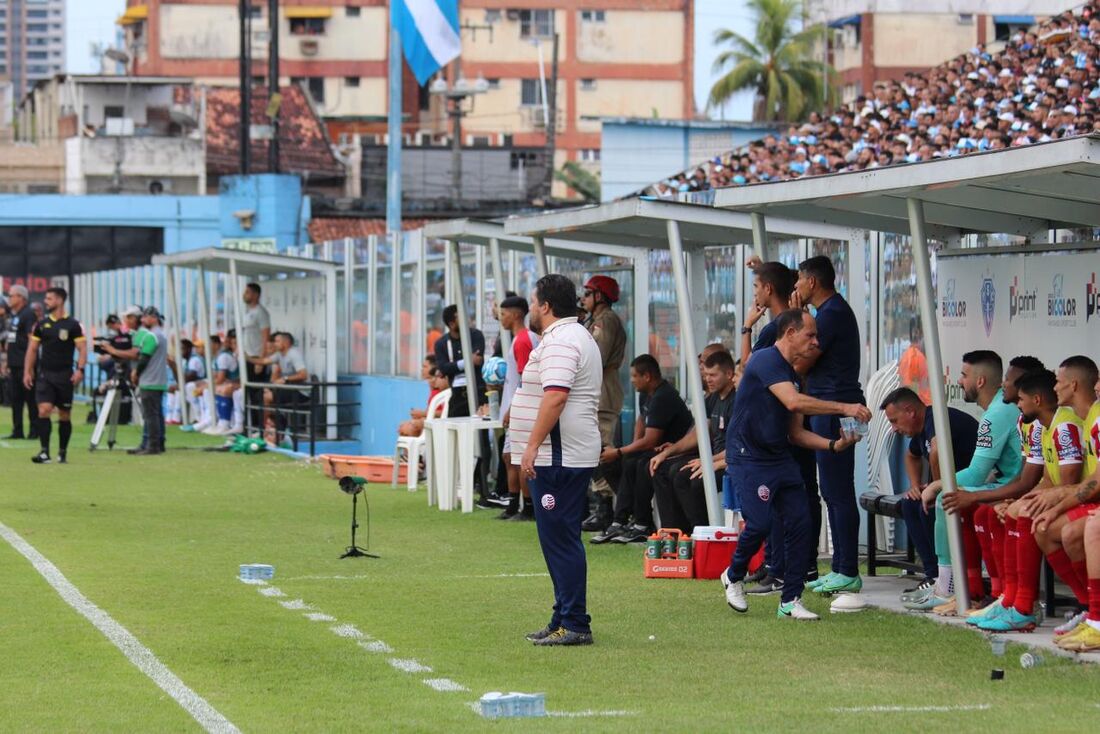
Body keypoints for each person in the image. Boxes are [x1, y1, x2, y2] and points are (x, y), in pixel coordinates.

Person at [721, 310, 870, 621]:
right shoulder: (764, 360)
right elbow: (793, 402)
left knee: (802, 524)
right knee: (760, 524)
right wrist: (845, 406)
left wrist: (833, 445)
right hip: (748, 456)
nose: (816, 342)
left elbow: (795, 432)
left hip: (778, 456)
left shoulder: (792, 374)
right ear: (789, 334)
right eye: (810, 335)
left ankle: (790, 601)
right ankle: (733, 576)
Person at [513, 274, 602, 646]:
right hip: (560, 453)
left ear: (546, 306)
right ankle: (563, 615)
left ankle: (575, 623)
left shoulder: (563, 340)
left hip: (558, 456)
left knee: (562, 539)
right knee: (557, 539)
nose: (531, 309)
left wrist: (532, 446)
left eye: (533, 303)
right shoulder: (568, 336)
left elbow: (555, 397)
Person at [911, 351, 1023, 613]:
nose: (959, 381)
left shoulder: (997, 413)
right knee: (960, 502)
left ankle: (950, 586)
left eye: (963, 375)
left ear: (980, 381)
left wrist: (934, 485)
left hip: (1017, 488)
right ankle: (967, 590)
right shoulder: (998, 409)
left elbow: (975, 475)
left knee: (946, 498)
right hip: (1009, 483)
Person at [975, 369, 1085, 632]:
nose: (1017, 405)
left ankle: (1024, 605)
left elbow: (1068, 484)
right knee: (1007, 512)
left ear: (1036, 400)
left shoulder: (1065, 426)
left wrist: (1028, 504)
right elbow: (1047, 480)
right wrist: (1018, 500)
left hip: (1077, 498)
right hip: (1067, 496)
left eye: (1020, 400)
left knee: (1028, 519)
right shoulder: (1043, 426)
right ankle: (1010, 600)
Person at [941, 355, 1046, 614]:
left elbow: (1028, 480)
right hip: (1024, 490)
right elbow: (1026, 478)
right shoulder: (1023, 419)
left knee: (965, 502)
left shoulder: (1012, 416)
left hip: (1038, 494)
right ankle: (979, 593)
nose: (1003, 385)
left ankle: (1013, 601)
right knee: (972, 506)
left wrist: (946, 487)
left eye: (1007, 381)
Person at [792, 256, 867, 596]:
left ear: (812, 282)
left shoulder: (832, 315)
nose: (796, 287)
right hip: (833, 404)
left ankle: (848, 569)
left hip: (836, 406)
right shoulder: (831, 312)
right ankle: (839, 566)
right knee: (832, 491)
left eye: (799, 280)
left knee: (838, 490)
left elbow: (803, 361)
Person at [590, 354, 694, 545]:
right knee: (614, 464)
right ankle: (623, 520)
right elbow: (642, 420)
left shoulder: (664, 396)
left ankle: (640, 524)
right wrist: (631, 447)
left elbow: (650, 440)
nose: (631, 380)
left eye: (634, 376)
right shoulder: (647, 393)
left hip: (672, 450)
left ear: (647, 376)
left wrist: (621, 451)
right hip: (654, 450)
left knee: (637, 464)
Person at [881, 387, 978, 588]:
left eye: (894, 420)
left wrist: (936, 486)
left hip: (976, 484)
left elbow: (936, 451)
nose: (894, 428)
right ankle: (932, 574)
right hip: (954, 484)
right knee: (910, 502)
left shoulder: (935, 417)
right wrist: (916, 486)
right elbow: (911, 455)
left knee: (928, 507)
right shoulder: (919, 429)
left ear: (910, 411)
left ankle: (946, 576)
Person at [649, 349, 737, 534]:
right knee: (662, 468)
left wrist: (709, 462)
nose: (708, 380)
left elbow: (737, 447)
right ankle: (672, 533)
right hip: (713, 458)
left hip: (730, 462)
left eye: (713, 375)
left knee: (687, 477)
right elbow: (698, 434)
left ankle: (701, 534)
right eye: (706, 375)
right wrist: (667, 452)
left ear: (729, 374)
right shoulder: (712, 398)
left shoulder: (737, 401)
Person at [433, 304, 500, 508]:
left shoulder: (475, 335)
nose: (467, 320)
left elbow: (478, 361)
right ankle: (452, 487)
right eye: (460, 317)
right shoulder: (442, 343)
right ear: (452, 323)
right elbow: (443, 368)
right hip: (457, 395)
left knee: (481, 440)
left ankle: (483, 488)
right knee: (453, 438)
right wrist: (465, 362)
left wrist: (460, 364)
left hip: (478, 392)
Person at [580, 275, 627, 531]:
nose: (584, 298)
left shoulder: (606, 320)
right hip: (596, 387)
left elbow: (597, 356)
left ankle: (607, 507)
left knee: (602, 448)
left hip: (603, 389)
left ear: (599, 295)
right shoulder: (596, 320)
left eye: (588, 293)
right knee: (593, 447)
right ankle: (602, 503)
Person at [23, 287, 86, 464]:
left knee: (65, 415)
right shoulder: (41, 325)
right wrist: (28, 371)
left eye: (49, 298)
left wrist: (80, 370)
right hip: (45, 375)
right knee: (43, 410)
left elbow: (82, 349)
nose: (46, 301)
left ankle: (62, 452)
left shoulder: (73, 325)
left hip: (65, 376)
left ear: (59, 300)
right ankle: (44, 452)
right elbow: (32, 349)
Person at [498, 294, 538, 521]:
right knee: (508, 456)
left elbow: (526, 378)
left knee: (517, 457)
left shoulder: (523, 340)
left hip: (522, 409)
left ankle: (528, 507)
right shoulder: (521, 339)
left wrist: (512, 408)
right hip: (519, 406)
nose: (500, 319)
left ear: (515, 315)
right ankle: (514, 503)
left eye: (503, 314)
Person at [4, 285, 38, 440]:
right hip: (14, 364)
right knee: (16, 399)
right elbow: (11, 340)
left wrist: (29, 367)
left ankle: (34, 431)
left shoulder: (28, 314)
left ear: (21, 298)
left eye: (11, 296)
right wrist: (7, 362)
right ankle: (17, 430)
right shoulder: (14, 316)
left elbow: (33, 340)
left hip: (25, 364)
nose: (9, 298)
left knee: (30, 399)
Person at [240, 282, 271, 435]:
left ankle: (259, 428)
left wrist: (261, 359)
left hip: (256, 359)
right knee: (247, 393)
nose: (244, 295)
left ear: (255, 295)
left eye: (247, 292)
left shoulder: (261, 312)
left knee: (257, 394)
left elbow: (266, 336)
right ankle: (249, 427)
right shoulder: (247, 312)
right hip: (246, 358)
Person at [269, 332, 310, 446]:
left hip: (301, 391)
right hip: (290, 389)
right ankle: (276, 430)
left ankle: (281, 432)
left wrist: (285, 378)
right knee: (264, 395)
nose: (274, 344)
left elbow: (303, 375)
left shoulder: (293, 354)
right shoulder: (279, 355)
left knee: (268, 397)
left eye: (277, 341)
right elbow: (264, 362)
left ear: (286, 342)